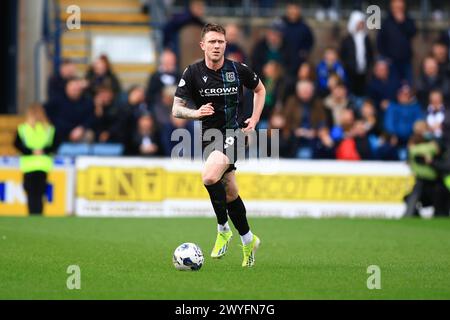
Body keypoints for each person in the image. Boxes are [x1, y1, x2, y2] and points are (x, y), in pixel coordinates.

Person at [172, 23, 266, 267]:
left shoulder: (236, 69)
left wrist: (254, 120)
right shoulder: (192, 72)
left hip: (233, 133)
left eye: (220, 42)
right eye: (212, 42)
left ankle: (223, 228)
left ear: (226, 44)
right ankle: (248, 241)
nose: (216, 46)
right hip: (209, 138)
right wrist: (196, 113)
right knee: (230, 192)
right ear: (203, 45)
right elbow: (176, 109)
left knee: (209, 177)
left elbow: (260, 90)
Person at [13, 104, 59, 215]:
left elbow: (17, 144)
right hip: (43, 164)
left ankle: (32, 214)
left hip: (28, 165)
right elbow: (55, 145)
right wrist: (43, 151)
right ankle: (39, 214)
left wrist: (30, 151)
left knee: (31, 192)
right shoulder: (49, 129)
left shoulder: (23, 128)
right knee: (40, 192)